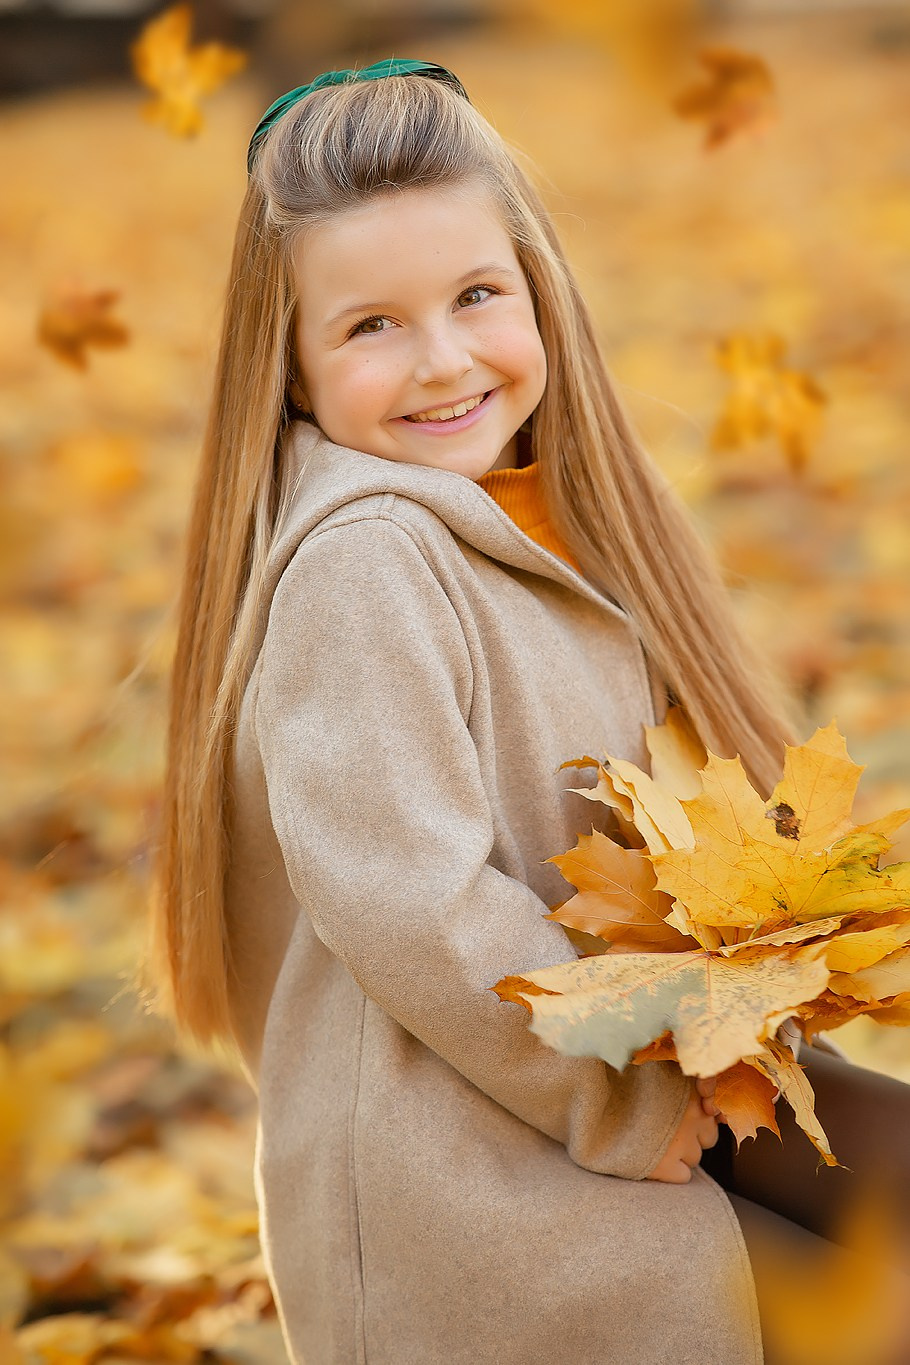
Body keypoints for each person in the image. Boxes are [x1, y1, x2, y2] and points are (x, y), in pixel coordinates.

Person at [151, 59, 910, 1364]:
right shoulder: (365, 560)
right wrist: (617, 1091)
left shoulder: (559, 514)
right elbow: (415, 899)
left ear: (536, 289)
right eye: (368, 325)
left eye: (474, 296)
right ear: (289, 371)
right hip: (473, 1162)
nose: (442, 359)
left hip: (647, 1067)